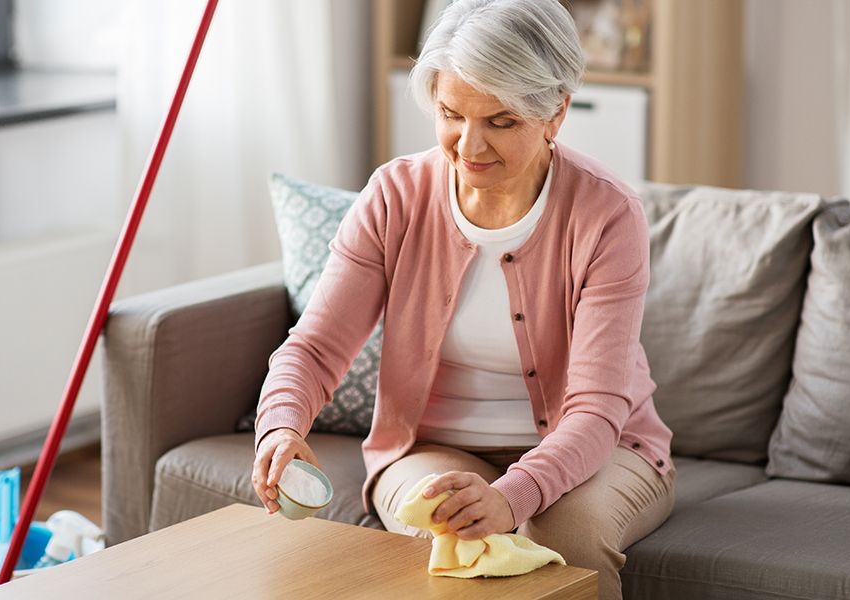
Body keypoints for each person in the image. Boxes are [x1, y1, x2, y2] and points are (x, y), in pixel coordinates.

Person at [251, 1, 674, 598]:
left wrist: (510, 496)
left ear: (555, 112)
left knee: (565, 546)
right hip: (432, 446)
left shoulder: (606, 214)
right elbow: (315, 347)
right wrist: (280, 426)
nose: (469, 146)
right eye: (451, 115)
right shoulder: (394, 196)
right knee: (452, 539)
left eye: (500, 121)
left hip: (604, 450)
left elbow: (598, 408)